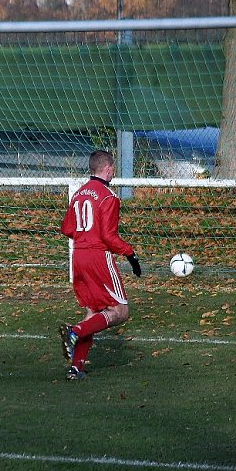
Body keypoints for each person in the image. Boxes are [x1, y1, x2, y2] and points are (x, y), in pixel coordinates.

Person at [59, 149, 142, 380]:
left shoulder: (79, 194)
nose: (113, 172)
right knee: (120, 311)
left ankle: (76, 369)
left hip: (78, 257)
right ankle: (74, 332)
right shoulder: (108, 196)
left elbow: (67, 228)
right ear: (107, 169)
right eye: (113, 169)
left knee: (93, 311)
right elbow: (108, 236)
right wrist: (131, 254)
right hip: (98, 257)